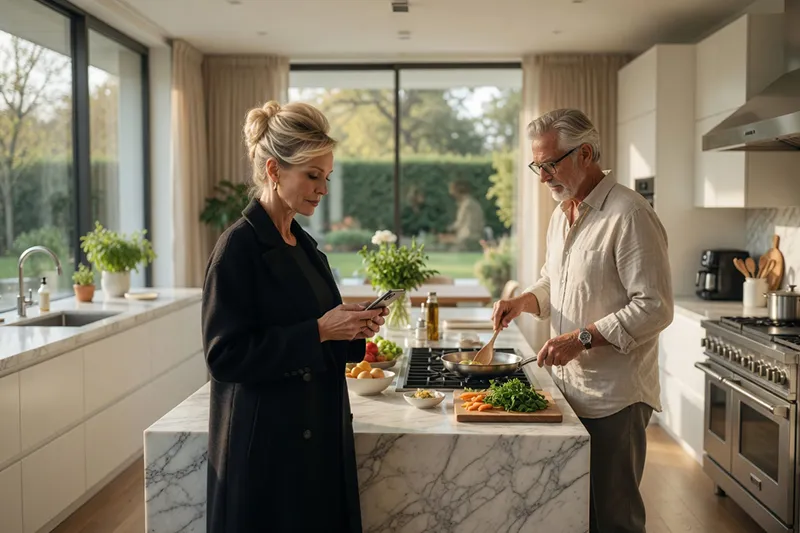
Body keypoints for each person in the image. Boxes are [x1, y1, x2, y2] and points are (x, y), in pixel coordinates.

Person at [201, 100, 388, 533]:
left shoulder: (303, 246)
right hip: (267, 450)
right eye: (312, 175)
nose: (323, 188)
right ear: (273, 170)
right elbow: (224, 356)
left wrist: (353, 328)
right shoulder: (237, 250)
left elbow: (318, 331)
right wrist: (322, 330)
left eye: (327, 176)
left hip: (317, 439)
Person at [491, 108, 673, 533]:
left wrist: (583, 338)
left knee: (614, 518)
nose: (542, 177)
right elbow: (553, 283)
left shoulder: (629, 214)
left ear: (586, 153)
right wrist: (523, 302)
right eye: (538, 165)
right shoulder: (562, 214)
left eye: (550, 164)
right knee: (572, 511)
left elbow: (655, 307)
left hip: (615, 397)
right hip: (570, 389)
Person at [446, 179, 485, 250]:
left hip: (466, 239)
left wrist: (446, 230)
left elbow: (459, 223)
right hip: (477, 238)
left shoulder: (466, 205)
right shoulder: (474, 203)